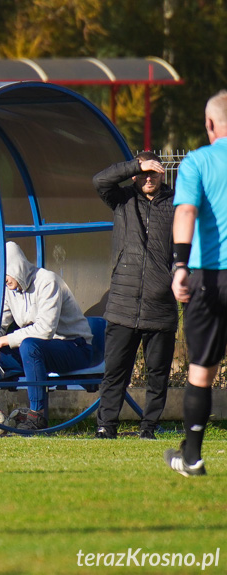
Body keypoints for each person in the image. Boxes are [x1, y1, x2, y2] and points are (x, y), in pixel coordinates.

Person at [92, 152, 177, 440]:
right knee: (115, 373)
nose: (148, 178)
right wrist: (135, 165)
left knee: (157, 375)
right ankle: (106, 426)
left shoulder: (177, 205)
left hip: (160, 305)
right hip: (122, 304)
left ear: (162, 175)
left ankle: (148, 428)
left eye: (153, 173)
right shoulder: (122, 200)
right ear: (135, 175)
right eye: (143, 173)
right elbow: (99, 180)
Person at [165, 90, 227, 477]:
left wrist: (179, 265)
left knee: (201, 370)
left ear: (209, 124)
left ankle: (192, 458)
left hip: (207, 274)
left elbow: (186, 210)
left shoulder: (198, 162)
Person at [0, 242, 94, 431]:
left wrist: (2, 341)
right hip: (35, 351)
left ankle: (37, 416)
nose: (2, 280)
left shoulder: (47, 281)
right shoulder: (9, 290)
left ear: (16, 267)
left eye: (4, 274)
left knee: (29, 346)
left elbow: (45, 329)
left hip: (73, 347)